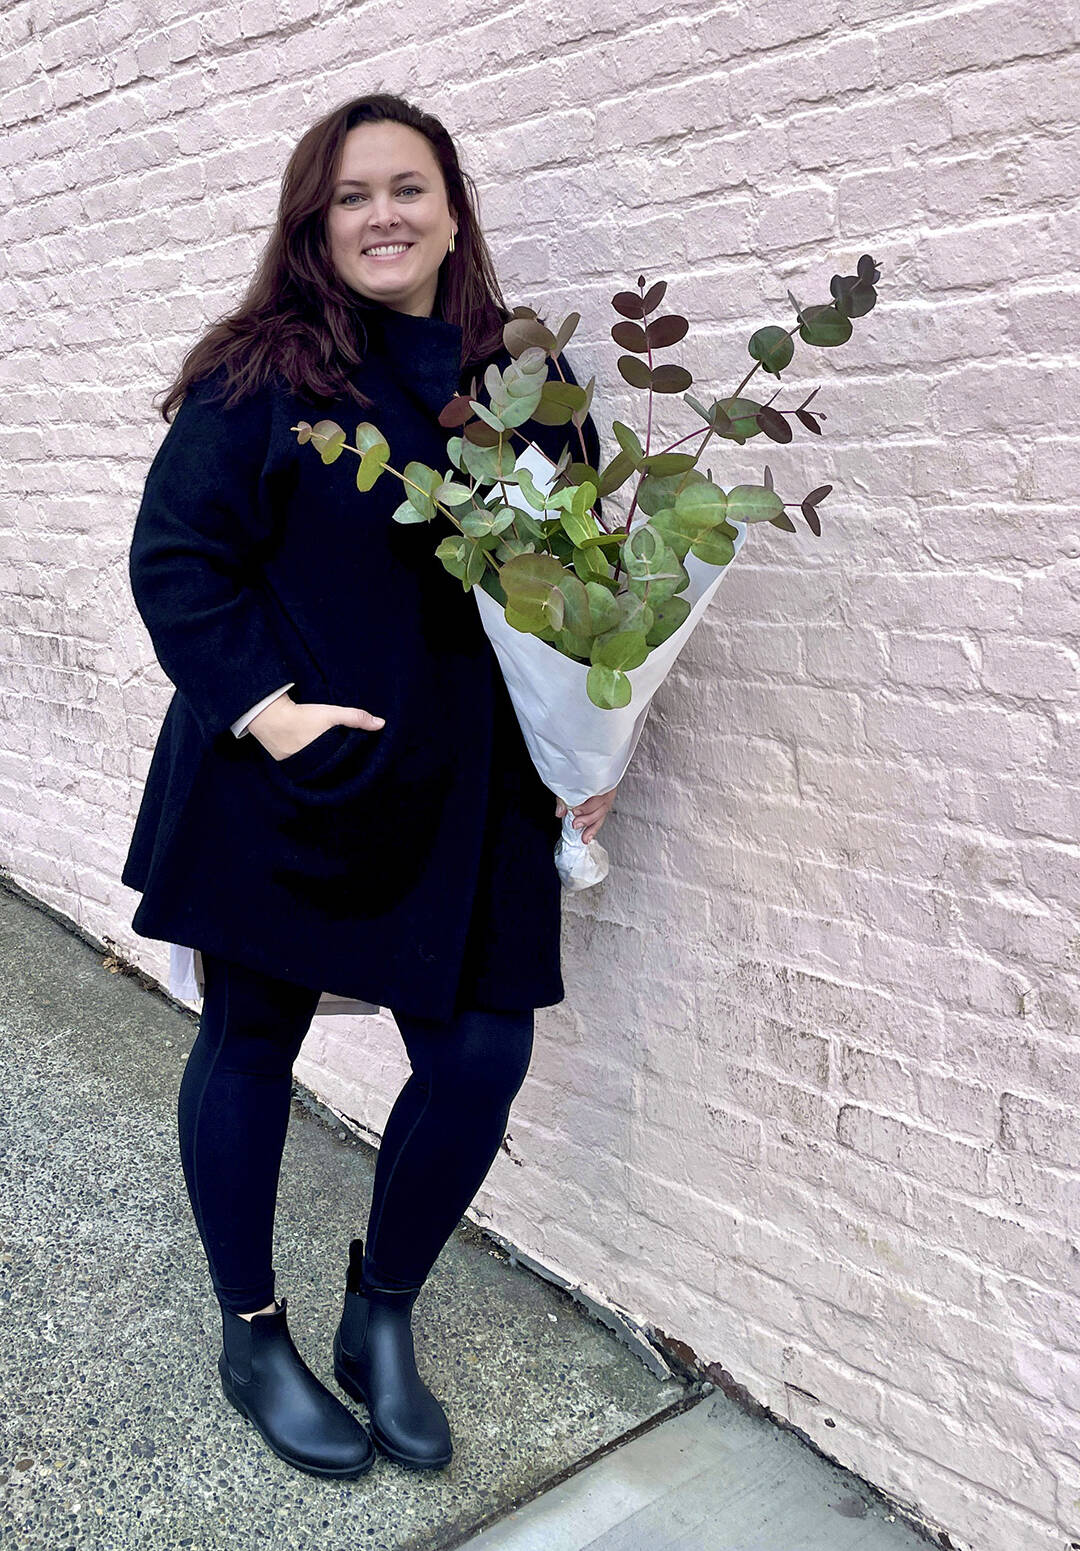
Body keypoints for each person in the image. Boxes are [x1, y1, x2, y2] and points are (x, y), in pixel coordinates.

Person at [120, 93, 616, 1482]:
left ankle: (378, 1313)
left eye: (409, 188)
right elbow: (178, 561)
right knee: (253, 1039)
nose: (384, 215)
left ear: (454, 208)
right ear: (313, 224)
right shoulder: (260, 374)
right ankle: (253, 1330)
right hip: (291, 778)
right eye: (352, 196)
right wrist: (273, 717)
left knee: (478, 1056)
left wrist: (588, 758)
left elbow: (576, 587)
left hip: (476, 788)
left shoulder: (527, 376)